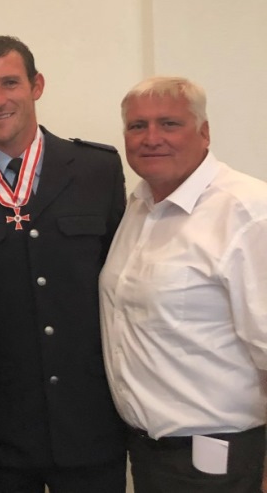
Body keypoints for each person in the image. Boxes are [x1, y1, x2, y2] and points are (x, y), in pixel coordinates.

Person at [0, 35, 127, 492]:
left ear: (37, 85)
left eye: (10, 83)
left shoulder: (97, 170)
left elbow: (124, 292)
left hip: (90, 425)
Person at [100, 76, 267, 493]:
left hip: (223, 461)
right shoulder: (140, 206)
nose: (151, 138)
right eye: (137, 127)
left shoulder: (246, 212)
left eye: (169, 124)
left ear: (204, 132)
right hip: (150, 454)